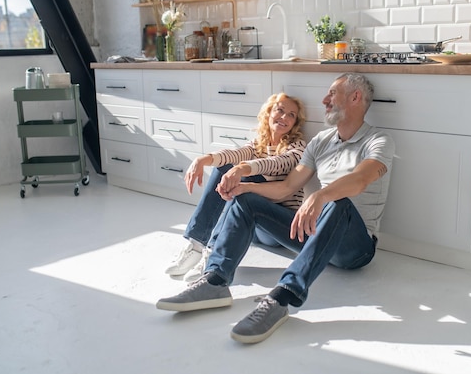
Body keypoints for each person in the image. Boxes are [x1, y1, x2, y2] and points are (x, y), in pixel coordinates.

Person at [156, 73, 395, 344]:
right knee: (245, 200)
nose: (325, 100)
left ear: (355, 97)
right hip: (314, 234)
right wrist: (244, 189)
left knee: (338, 203)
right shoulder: (321, 142)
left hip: (355, 247)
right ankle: (215, 281)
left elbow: (361, 179)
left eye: (332, 93)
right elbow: (285, 188)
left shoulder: (379, 140)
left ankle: (282, 298)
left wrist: (319, 197)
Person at [165, 92, 307, 282]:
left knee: (247, 178)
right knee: (226, 167)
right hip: (253, 225)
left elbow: (276, 163)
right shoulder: (258, 144)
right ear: (268, 113)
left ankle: (214, 251)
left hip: (278, 227)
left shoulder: (298, 147)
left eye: (291, 115)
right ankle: (197, 244)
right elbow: (236, 154)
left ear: (295, 122)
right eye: (280, 110)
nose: (284, 117)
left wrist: (242, 169)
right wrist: (203, 159)